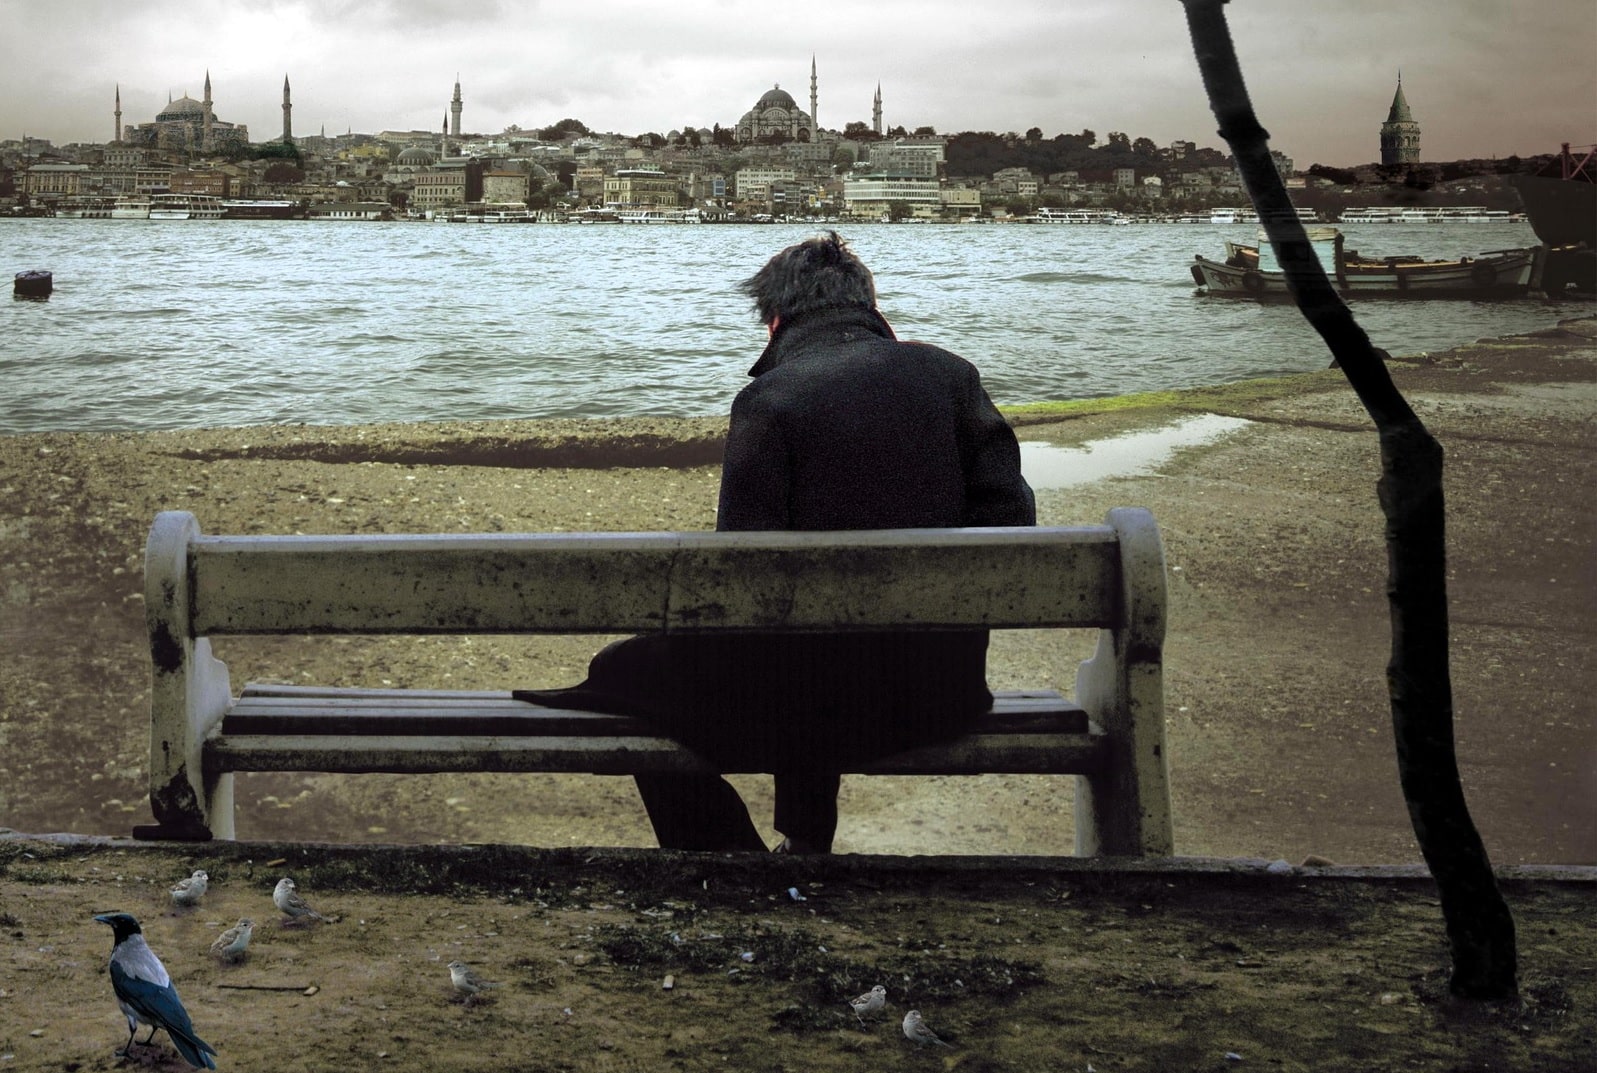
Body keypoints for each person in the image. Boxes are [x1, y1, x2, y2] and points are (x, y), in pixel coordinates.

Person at [518, 231, 1035, 853]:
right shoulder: (952, 377)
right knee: (815, 648)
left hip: (812, 701)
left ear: (775, 321)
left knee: (619, 672)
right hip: (941, 695)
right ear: (871, 306)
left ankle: (727, 854)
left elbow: (743, 575)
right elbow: (1010, 519)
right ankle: (808, 839)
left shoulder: (770, 400)